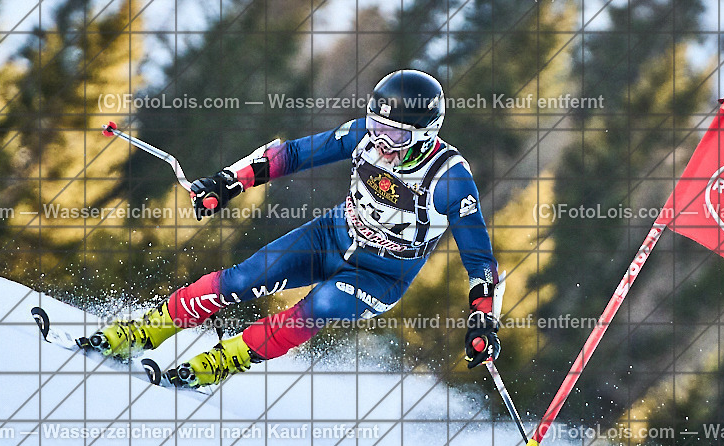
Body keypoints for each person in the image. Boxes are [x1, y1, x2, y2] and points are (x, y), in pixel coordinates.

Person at [90, 69, 502, 388]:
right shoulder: (363, 136)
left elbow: (480, 260)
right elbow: (292, 154)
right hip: (331, 235)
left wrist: (483, 320)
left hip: (380, 274)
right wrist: (229, 181)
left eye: (394, 134)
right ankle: (141, 331)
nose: (380, 141)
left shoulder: (450, 179)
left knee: (318, 307)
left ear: (426, 134)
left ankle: (223, 361)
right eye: (376, 125)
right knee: (244, 278)